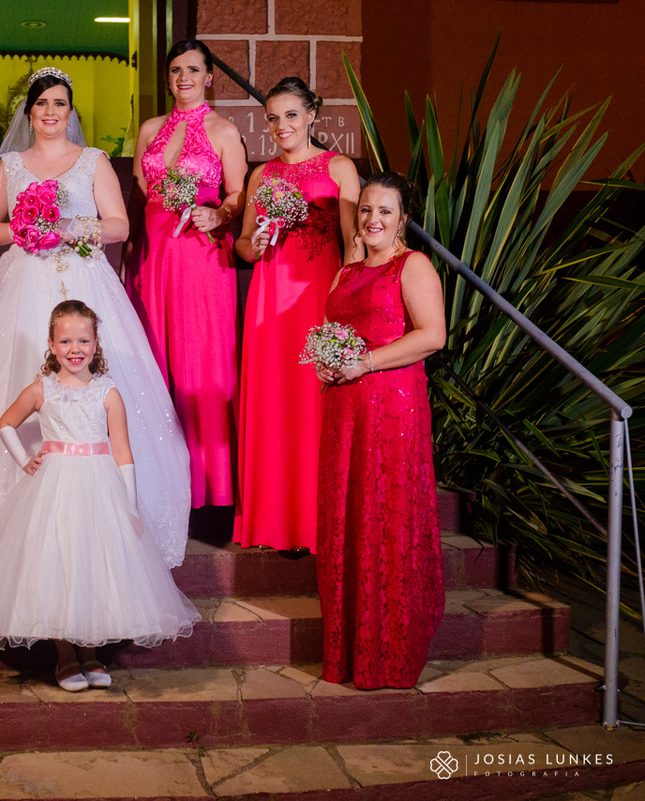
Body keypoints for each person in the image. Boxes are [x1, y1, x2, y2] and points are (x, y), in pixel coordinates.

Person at [0, 67, 192, 568]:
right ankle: (11, 512)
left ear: (71, 112)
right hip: (24, 283)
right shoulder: (12, 164)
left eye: (60, 104)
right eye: (42, 104)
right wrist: (25, 230)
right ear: (30, 112)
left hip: (83, 281)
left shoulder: (93, 162)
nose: (50, 112)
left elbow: (118, 224)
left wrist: (67, 225)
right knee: (16, 372)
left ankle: (106, 509)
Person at [0, 301, 200, 690]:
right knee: (59, 563)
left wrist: (130, 506)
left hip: (100, 490)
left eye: (83, 340)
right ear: (51, 344)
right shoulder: (42, 389)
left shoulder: (108, 392)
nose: (74, 348)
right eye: (65, 340)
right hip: (56, 488)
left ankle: (93, 652)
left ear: (96, 344)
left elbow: (122, 451)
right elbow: (5, 423)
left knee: (93, 565)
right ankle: (65, 656)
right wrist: (24, 460)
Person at [314, 173, 446, 689]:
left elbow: (432, 336)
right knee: (347, 517)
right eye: (366, 209)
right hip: (343, 408)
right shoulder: (346, 272)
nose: (372, 220)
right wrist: (325, 363)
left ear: (403, 220)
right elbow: (331, 333)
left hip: (392, 408)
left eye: (384, 212)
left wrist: (364, 363)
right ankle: (347, 650)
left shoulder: (411, 265)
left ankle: (387, 652)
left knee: (384, 516)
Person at [233, 76, 362, 551]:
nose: (281, 125)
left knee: (314, 402)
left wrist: (343, 302)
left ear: (312, 115)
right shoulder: (261, 176)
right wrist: (256, 242)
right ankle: (272, 522)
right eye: (272, 118)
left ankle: (315, 522)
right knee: (273, 400)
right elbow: (244, 245)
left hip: (317, 294)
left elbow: (354, 243)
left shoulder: (340, 167)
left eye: (290, 115)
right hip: (269, 298)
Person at [125, 39, 246, 508]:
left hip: (199, 255)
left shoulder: (224, 130)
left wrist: (218, 216)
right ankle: (153, 480)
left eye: (193, 70)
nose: (183, 78)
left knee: (197, 356)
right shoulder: (150, 128)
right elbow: (138, 194)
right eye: (175, 70)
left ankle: (205, 485)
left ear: (209, 76)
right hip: (151, 254)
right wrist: (128, 252)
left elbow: (238, 196)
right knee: (151, 355)